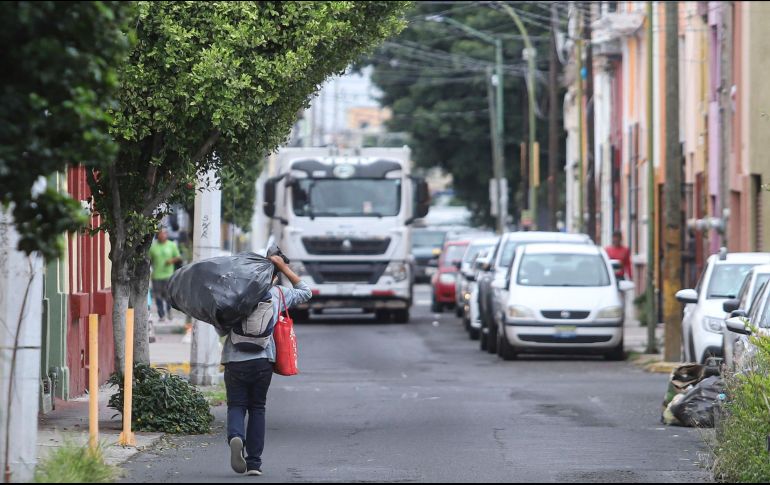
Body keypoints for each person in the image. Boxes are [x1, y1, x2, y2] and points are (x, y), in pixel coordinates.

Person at [221, 255, 311, 477]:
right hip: (263, 361)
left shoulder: (233, 295)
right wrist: (284, 268)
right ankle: (254, 464)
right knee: (257, 408)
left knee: (236, 405)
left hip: (235, 360)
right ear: (271, 276)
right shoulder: (278, 294)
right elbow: (306, 292)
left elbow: (219, 325)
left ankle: (235, 436)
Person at [149, 229, 183, 322]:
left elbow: (178, 257)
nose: (163, 235)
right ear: (158, 235)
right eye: (161, 233)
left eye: (164, 233)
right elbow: (149, 260)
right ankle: (161, 315)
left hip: (169, 275)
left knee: (168, 296)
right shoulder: (153, 247)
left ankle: (169, 312)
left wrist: (171, 261)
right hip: (156, 276)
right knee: (158, 297)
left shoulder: (171, 245)